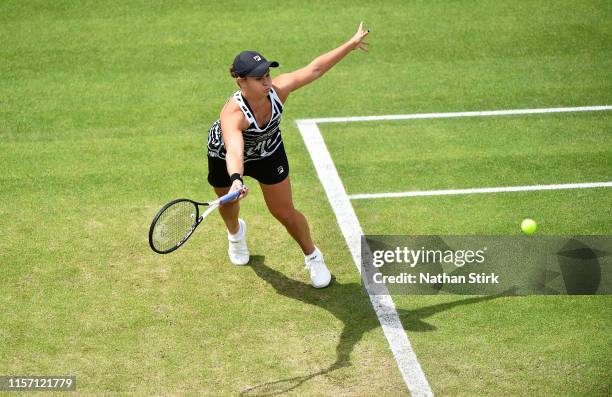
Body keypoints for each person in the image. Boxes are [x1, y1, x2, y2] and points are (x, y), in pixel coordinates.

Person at [206, 22, 370, 288]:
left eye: (268, 75)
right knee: (228, 204)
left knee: (284, 211)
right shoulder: (233, 114)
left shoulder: (278, 91)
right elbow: (234, 149)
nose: (267, 82)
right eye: (259, 79)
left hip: (268, 152)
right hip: (224, 154)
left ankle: (313, 256)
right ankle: (235, 234)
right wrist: (236, 178)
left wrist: (350, 45)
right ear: (241, 81)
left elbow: (314, 69)